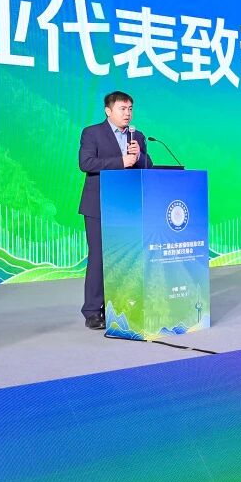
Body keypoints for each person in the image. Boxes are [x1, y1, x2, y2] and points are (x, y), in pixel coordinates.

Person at [78, 91, 153, 330]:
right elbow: (86, 163)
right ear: (108, 111)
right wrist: (121, 161)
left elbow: (147, 166)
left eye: (130, 108)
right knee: (99, 257)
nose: (127, 113)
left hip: (128, 207)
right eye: (122, 108)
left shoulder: (137, 136)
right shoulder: (92, 133)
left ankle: (122, 305)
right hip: (98, 205)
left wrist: (139, 156)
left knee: (127, 256)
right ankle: (93, 311)